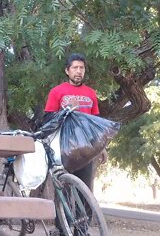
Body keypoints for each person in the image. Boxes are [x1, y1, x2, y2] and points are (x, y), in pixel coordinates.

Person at [44, 53, 101, 236]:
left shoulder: (91, 93)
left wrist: (102, 148)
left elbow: (96, 124)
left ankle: (82, 230)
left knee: (85, 190)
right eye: (75, 68)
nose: (78, 71)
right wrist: (68, 110)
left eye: (81, 68)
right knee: (64, 188)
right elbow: (48, 119)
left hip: (86, 149)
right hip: (64, 147)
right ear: (67, 71)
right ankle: (63, 229)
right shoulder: (57, 91)